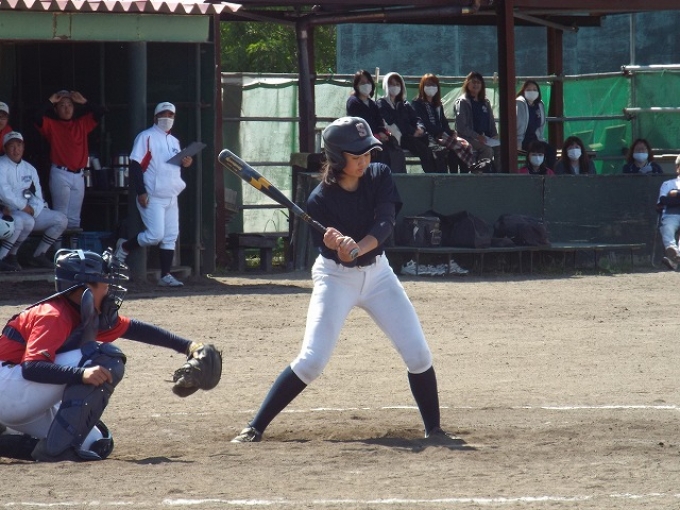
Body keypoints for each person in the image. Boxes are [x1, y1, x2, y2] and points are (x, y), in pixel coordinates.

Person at [231, 116, 454, 443]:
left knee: (419, 355)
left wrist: (358, 246)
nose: (365, 160)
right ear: (336, 158)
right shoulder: (318, 201)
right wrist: (340, 248)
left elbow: (385, 223)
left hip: (379, 275)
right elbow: (340, 258)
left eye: (367, 153)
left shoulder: (379, 175)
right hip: (336, 278)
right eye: (356, 155)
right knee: (312, 361)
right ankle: (255, 427)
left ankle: (434, 429)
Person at [0, 248, 208, 461]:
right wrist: (81, 374)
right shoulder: (53, 314)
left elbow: (135, 329)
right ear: (84, 289)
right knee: (105, 357)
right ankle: (56, 451)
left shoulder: (82, 313)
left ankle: (7, 439)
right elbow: (32, 368)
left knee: (97, 443)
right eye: (105, 284)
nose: (109, 291)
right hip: (8, 388)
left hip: (18, 396)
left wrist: (189, 347)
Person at [113, 102, 192, 287]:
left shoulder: (174, 141)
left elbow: (172, 166)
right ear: (155, 117)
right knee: (155, 235)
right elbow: (135, 165)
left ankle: (165, 275)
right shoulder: (146, 136)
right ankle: (124, 246)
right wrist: (141, 191)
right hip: (153, 195)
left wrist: (186, 162)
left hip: (172, 195)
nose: (167, 118)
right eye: (164, 114)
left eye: (171, 115)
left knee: (170, 236)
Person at [35, 90, 105, 230]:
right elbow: (35, 116)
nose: (66, 108)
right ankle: (57, 245)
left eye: (69, 105)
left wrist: (84, 101)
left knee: (74, 219)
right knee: (60, 217)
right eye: (62, 105)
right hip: (60, 173)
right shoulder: (52, 125)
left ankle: (72, 245)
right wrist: (50, 101)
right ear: (56, 109)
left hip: (79, 175)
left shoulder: (81, 124)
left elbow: (101, 111)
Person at [0, 131, 67, 270]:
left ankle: (38, 255)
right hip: (6, 211)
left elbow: (37, 196)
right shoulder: (1, 165)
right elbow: (4, 193)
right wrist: (24, 207)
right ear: (5, 148)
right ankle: (4, 256)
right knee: (23, 221)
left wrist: (33, 210)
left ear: (23, 147)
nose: (16, 150)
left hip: (27, 212)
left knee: (61, 219)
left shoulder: (29, 169)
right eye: (12, 146)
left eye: (19, 145)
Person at [411, 73, 475, 174]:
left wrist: (451, 132)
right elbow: (425, 124)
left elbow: (443, 122)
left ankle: (461, 176)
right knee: (447, 150)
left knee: (462, 147)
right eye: (428, 84)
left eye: (433, 84)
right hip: (428, 138)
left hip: (441, 136)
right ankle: (450, 176)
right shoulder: (417, 103)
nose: (431, 87)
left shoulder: (438, 104)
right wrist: (443, 132)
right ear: (422, 86)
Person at [376, 72, 438, 174]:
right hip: (397, 137)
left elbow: (416, 118)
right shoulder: (381, 103)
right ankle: (432, 176)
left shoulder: (404, 103)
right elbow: (393, 122)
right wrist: (413, 131)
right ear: (386, 86)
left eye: (397, 84)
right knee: (424, 150)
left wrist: (420, 127)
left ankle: (436, 174)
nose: (395, 87)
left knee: (432, 149)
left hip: (411, 136)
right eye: (391, 84)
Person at [346, 70, 406, 173]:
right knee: (382, 152)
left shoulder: (372, 103)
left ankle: (397, 177)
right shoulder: (353, 102)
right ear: (356, 85)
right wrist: (375, 135)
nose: (366, 85)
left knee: (396, 150)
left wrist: (382, 132)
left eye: (368, 82)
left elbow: (379, 121)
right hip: (361, 139)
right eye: (362, 83)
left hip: (377, 138)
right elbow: (359, 123)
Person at [454, 71, 502, 173]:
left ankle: (498, 175)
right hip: (467, 137)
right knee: (487, 150)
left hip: (484, 137)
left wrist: (494, 135)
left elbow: (491, 122)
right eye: (473, 82)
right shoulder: (462, 102)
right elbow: (462, 127)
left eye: (478, 82)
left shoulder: (485, 102)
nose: (476, 85)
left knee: (501, 148)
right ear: (468, 84)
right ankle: (479, 174)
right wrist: (477, 136)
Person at [516, 80, 556, 169]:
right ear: (523, 91)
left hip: (535, 139)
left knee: (550, 150)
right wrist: (518, 143)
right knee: (536, 151)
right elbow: (519, 125)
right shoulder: (520, 103)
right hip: (523, 140)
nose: (532, 92)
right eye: (528, 89)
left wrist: (541, 139)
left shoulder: (539, 104)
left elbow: (541, 126)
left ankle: (549, 173)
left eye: (534, 89)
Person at [656, 155, 680, 271]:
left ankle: (675, 260)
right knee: (667, 228)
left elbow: (669, 200)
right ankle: (673, 251)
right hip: (671, 215)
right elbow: (663, 201)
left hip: (672, 209)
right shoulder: (668, 184)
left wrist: (676, 194)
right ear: (677, 168)